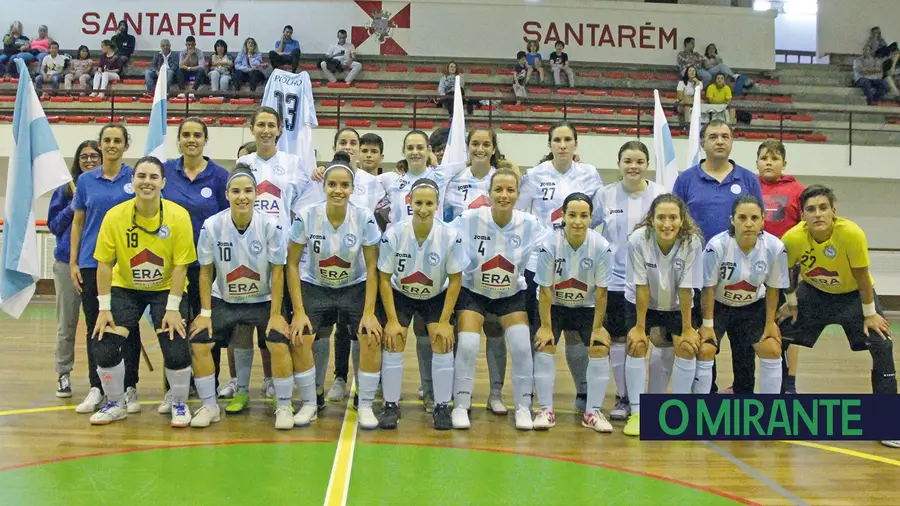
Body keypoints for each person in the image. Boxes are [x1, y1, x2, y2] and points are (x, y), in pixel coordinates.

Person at [777, 185, 897, 449]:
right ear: (803, 216)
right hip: (814, 293)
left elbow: (863, 277)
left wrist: (870, 314)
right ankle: (783, 398)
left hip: (853, 296)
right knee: (777, 336)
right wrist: (792, 303)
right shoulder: (792, 239)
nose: (818, 214)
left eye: (823, 208)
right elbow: (785, 274)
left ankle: (888, 421)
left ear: (833, 210)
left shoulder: (851, 234)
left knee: (882, 344)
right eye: (810, 209)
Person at [88, 156, 196, 427]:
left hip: (166, 289)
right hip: (125, 287)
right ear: (132, 180)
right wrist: (103, 308)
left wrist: (172, 309)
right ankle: (116, 402)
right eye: (141, 176)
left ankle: (179, 402)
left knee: (175, 343)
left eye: (153, 177)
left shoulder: (178, 216)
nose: (147, 182)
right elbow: (103, 264)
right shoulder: (115, 216)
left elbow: (182, 266)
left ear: (163, 183)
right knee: (104, 342)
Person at [450, 168, 550, 430]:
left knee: (520, 346)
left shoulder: (530, 224)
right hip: (474, 292)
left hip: (510, 295)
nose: (504, 195)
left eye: (510, 190)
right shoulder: (470, 218)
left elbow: (548, 253)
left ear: (518, 194)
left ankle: (522, 408)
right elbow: (444, 238)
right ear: (489, 193)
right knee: (469, 343)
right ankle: (461, 404)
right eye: (499, 189)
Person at [284, 162, 382, 430]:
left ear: (352, 189)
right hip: (315, 285)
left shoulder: (364, 217)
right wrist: (299, 310)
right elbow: (291, 264)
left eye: (344, 185)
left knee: (370, 335)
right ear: (324, 186)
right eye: (332, 184)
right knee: (301, 336)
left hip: (355, 285)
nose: (338, 190)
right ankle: (310, 402)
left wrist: (370, 312)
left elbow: (373, 266)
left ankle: (364, 403)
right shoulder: (306, 216)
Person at [189, 165, 288, 427]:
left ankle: (284, 404)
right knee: (199, 342)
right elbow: (205, 273)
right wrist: (205, 313)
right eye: (236, 191)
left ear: (256, 194)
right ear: (227, 194)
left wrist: (277, 315)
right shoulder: (212, 226)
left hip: (264, 299)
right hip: (225, 299)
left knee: (278, 340)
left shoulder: (270, 225)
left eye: (247, 191)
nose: (242, 196)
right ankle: (212, 405)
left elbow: (278, 273)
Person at [517, 121, 603, 414]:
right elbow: (521, 214)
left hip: (578, 263)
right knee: (540, 330)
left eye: (568, 139)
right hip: (541, 261)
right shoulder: (534, 175)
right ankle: (529, 391)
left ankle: (583, 389)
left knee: (576, 333)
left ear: (576, 144)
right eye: (557, 139)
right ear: (549, 144)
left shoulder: (590, 174)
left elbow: (598, 216)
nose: (562, 144)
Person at [673, 119, 764, 393]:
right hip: (700, 277)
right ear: (703, 143)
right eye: (713, 136)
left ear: (732, 141)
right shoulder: (687, 179)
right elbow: (676, 224)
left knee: (744, 343)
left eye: (725, 136)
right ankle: (705, 393)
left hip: (740, 276)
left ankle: (744, 392)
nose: (720, 141)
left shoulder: (747, 178)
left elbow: (759, 225)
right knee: (706, 340)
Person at [378, 179, 466, 430]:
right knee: (394, 339)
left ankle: (441, 406)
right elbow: (384, 278)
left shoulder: (449, 235)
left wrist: (446, 321)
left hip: (435, 295)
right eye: (418, 203)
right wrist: (393, 321)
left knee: (442, 340)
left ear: (437, 205)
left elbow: (456, 279)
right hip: (401, 293)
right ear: (410, 203)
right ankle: (391, 405)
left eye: (429, 203)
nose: (423, 209)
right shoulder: (394, 234)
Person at [235, 107, 310, 403]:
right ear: (252, 128)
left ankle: (276, 378)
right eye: (260, 125)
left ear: (279, 129)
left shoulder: (294, 164)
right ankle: (239, 384)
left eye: (271, 125)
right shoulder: (243, 162)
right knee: (245, 320)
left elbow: (302, 207)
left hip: (281, 251)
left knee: (279, 318)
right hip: (247, 251)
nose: (266, 130)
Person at [591, 141, 666, 421]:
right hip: (614, 282)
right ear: (619, 163)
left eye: (639, 161)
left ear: (647, 164)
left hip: (650, 281)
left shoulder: (660, 195)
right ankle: (624, 398)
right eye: (628, 161)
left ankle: (651, 399)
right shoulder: (605, 195)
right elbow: (589, 229)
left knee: (652, 339)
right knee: (620, 339)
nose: (633, 166)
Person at [70, 124, 142, 415]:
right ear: (100, 145)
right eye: (107, 140)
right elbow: (77, 223)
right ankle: (97, 387)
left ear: (126, 145)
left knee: (129, 328)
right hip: (91, 263)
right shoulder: (86, 181)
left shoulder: (134, 177)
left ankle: (129, 387)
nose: (112, 145)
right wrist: (74, 262)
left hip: (127, 265)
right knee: (95, 327)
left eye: (118, 140)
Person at [158, 118, 229, 412]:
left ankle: (207, 386)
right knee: (172, 325)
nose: (191, 139)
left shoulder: (219, 176)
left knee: (203, 326)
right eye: (185, 134)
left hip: (205, 267)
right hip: (172, 265)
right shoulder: (166, 174)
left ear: (205, 140)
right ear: (178, 140)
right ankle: (173, 390)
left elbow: (226, 222)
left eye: (197, 135)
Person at [622, 194, 704, 437]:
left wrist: (688, 328)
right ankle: (637, 413)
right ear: (651, 219)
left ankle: (678, 412)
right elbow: (641, 285)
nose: (667, 224)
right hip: (643, 302)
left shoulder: (692, 242)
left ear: (682, 220)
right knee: (636, 345)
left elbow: (687, 288)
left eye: (673, 218)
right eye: (661, 217)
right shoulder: (638, 240)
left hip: (678, 305)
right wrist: (640, 326)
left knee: (688, 347)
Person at [443, 127, 511, 415]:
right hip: (463, 271)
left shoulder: (504, 179)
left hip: (499, 268)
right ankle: (462, 393)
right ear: (467, 146)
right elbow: (445, 222)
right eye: (475, 143)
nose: (480, 148)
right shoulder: (453, 180)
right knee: (463, 335)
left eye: (486, 144)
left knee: (495, 331)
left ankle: (495, 393)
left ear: (494, 148)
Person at [534, 193, 613, 432]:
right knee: (545, 344)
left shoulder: (601, 246)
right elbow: (545, 290)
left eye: (584, 216)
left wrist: (598, 328)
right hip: (555, 306)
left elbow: (601, 292)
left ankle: (592, 412)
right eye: (572, 215)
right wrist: (546, 326)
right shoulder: (549, 244)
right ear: (563, 217)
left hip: (586, 307)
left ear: (591, 218)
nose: (578, 221)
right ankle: (545, 410)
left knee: (599, 347)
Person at [701, 195, 788, 395]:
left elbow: (774, 288)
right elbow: (708, 288)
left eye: (754, 218)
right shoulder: (717, 246)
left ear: (763, 220)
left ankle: (765, 410)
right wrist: (707, 325)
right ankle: (702, 405)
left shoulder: (775, 247)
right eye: (742, 218)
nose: (748, 224)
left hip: (753, 307)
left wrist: (769, 323)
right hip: (718, 305)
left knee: (771, 348)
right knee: (706, 349)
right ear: (732, 219)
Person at [48, 140, 101, 398]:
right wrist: (73, 207)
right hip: (65, 264)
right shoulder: (65, 189)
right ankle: (63, 373)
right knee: (67, 323)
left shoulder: (103, 189)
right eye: (84, 156)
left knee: (98, 323)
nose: (89, 160)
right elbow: (54, 225)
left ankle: (102, 377)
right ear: (77, 161)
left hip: (96, 265)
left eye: (94, 156)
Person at [756, 140, 805, 394]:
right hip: (754, 267)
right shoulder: (749, 187)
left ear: (783, 163)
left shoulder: (797, 190)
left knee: (788, 325)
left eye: (774, 159)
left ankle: (790, 382)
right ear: (757, 162)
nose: (768, 163)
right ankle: (755, 380)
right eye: (764, 158)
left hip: (787, 268)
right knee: (756, 326)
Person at [260, 65, 317, 161]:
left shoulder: (274, 76)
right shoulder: (304, 80)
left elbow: (263, 107)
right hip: (297, 135)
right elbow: (311, 118)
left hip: (277, 133)